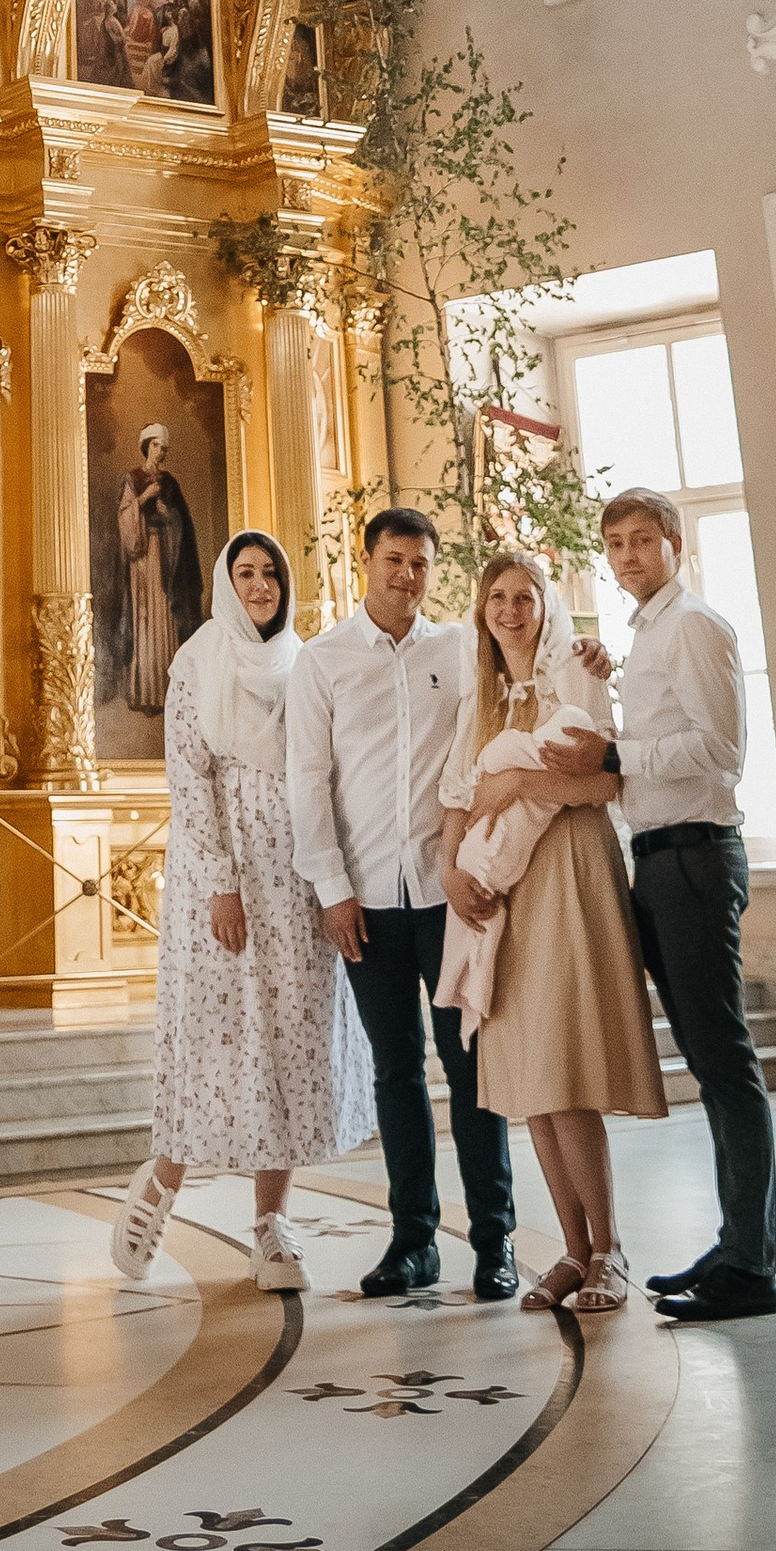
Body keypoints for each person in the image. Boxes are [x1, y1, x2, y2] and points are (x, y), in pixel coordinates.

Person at [113, 529, 373, 1297]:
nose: (260, 586)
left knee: (288, 1041)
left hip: (296, 878)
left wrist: (331, 882)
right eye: (247, 573)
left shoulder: (305, 663)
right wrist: (222, 883)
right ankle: (159, 1186)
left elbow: (329, 772)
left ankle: (271, 1226)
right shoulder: (197, 663)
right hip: (220, 882)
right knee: (214, 1037)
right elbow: (189, 780)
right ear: (227, 585)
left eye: (271, 574)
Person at [543, 487, 776, 1322]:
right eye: (615, 544)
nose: (627, 556)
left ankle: (751, 1268)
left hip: (695, 858)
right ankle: (735, 1244)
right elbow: (661, 729)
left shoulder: (695, 625)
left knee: (725, 1063)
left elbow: (721, 751)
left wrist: (613, 753)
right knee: (711, 1067)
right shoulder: (649, 633)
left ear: (674, 542)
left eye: (642, 540)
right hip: (659, 859)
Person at [286, 507, 517, 1298]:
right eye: (394, 561)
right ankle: (414, 1242)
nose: (407, 577)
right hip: (368, 900)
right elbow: (307, 781)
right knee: (396, 1072)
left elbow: (513, 705)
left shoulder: (459, 649)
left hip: (451, 894)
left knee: (472, 1064)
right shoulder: (322, 661)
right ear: (367, 561)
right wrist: (332, 890)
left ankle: (494, 1241)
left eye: (420, 564)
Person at [436, 549, 664, 1316]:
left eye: (524, 596)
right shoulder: (480, 696)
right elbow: (457, 800)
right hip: (507, 891)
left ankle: (609, 1248)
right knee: (531, 1076)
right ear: (481, 610)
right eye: (497, 597)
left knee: (565, 1065)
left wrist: (519, 782)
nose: (510, 610)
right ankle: (571, 1248)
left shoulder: (578, 669)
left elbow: (606, 779)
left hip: (570, 870)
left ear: (545, 604)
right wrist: (450, 873)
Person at [116, 424, 204, 714]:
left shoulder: (170, 482)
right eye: (156, 446)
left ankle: (168, 693)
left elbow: (183, 522)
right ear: (147, 447)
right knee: (144, 616)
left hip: (167, 555)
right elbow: (124, 515)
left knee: (164, 614)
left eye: (164, 448)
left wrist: (170, 516)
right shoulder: (133, 478)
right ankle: (146, 692)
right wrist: (144, 498)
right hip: (142, 556)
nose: (160, 452)